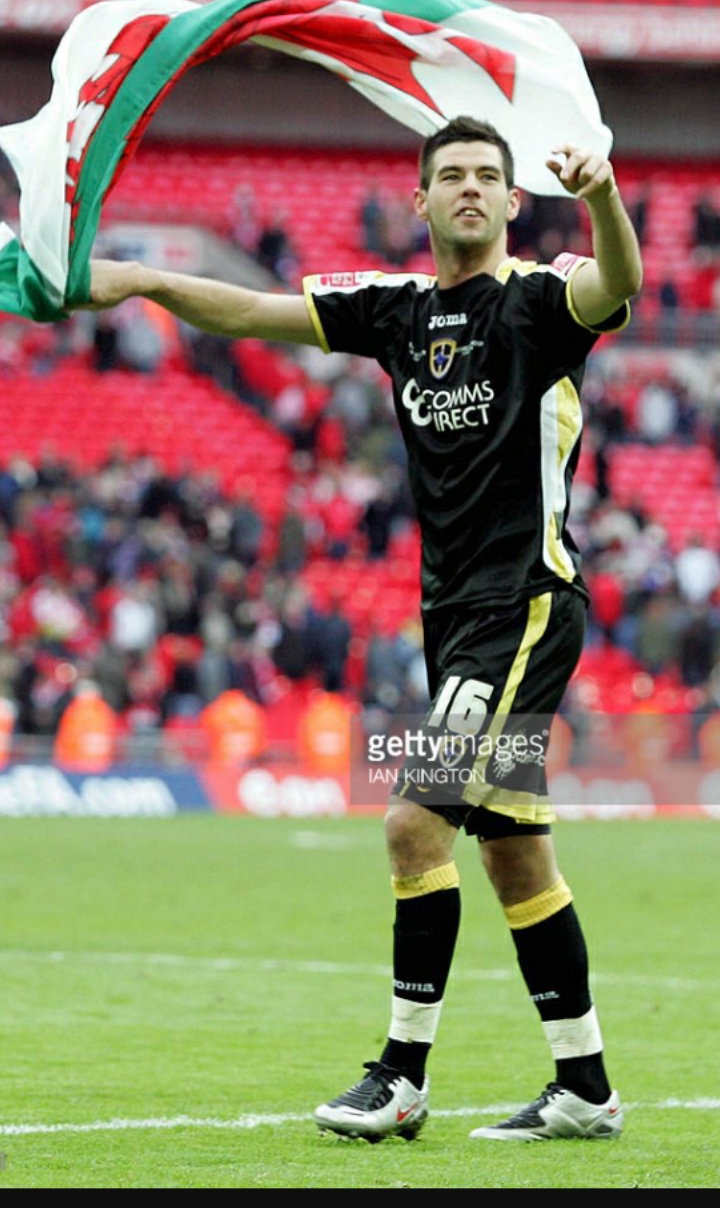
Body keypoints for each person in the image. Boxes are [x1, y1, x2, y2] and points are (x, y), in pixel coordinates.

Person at [78, 116, 642, 1144]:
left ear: (515, 202)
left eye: (488, 178)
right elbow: (252, 309)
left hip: (523, 605)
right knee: (515, 854)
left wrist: (602, 193)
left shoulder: (541, 302)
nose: (470, 189)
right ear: (419, 201)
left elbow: (618, 285)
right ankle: (585, 1085)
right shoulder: (395, 310)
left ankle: (402, 1075)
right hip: (455, 618)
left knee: (412, 822)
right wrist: (143, 281)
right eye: (451, 177)